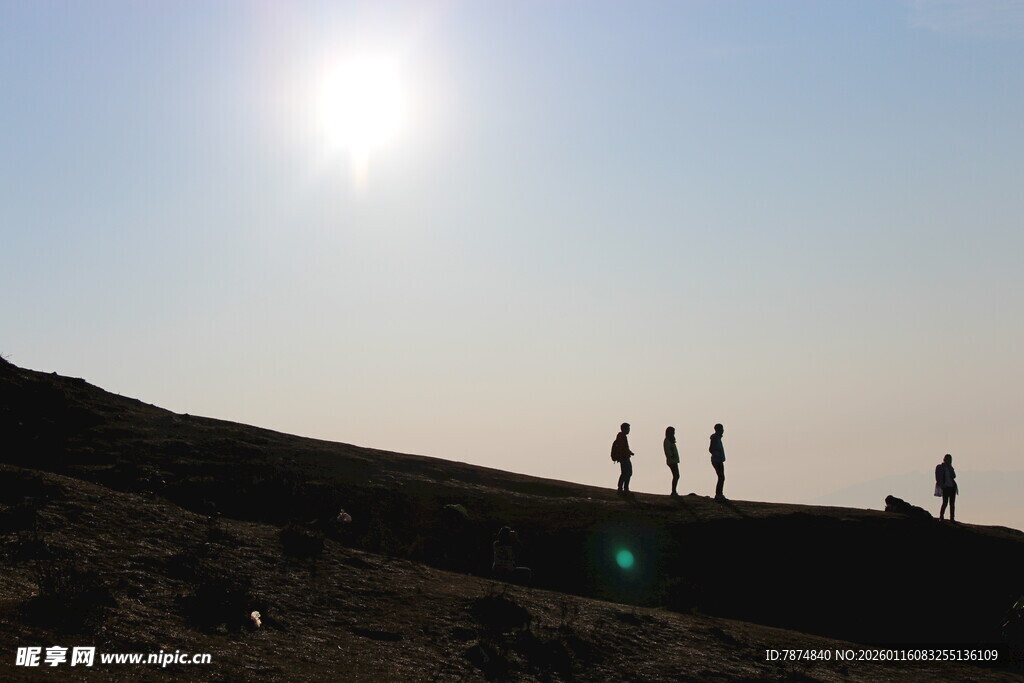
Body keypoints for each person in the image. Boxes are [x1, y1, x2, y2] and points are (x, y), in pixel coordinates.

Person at [612, 423, 635, 494]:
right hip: (624, 458)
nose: (629, 430)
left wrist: (629, 452)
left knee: (626, 473)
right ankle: (623, 488)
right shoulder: (622, 437)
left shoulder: (621, 436)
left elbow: (624, 448)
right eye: (628, 428)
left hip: (624, 457)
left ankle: (623, 488)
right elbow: (623, 448)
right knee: (627, 472)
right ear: (624, 429)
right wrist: (628, 453)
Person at [935, 453, 958, 522]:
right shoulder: (939, 467)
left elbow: (954, 476)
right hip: (945, 487)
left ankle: (952, 518)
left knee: (952, 503)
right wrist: (941, 485)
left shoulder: (950, 468)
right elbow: (938, 477)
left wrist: (951, 468)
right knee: (945, 502)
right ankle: (941, 517)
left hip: (952, 487)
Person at [709, 423, 726, 500]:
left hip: (719, 460)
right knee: (721, 476)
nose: (723, 431)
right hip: (717, 460)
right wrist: (716, 455)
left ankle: (719, 493)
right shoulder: (715, 438)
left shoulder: (718, 438)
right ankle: (718, 494)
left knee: (721, 477)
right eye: (721, 429)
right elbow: (711, 449)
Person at [664, 426, 680, 497]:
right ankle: (673, 491)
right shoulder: (667, 440)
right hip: (672, 461)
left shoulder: (670, 440)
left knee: (676, 476)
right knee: (676, 475)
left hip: (674, 460)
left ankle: (674, 491)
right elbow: (667, 451)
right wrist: (672, 455)